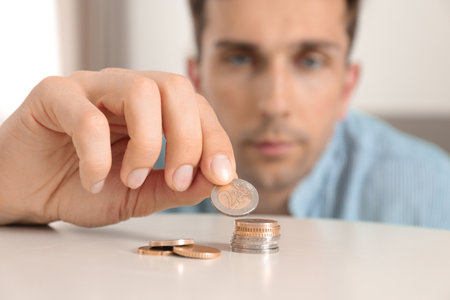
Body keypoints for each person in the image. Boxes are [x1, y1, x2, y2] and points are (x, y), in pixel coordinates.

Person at [0, 0, 449, 229]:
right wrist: (7, 191)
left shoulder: (433, 194)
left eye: (310, 60)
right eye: (240, 59)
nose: (274, 103)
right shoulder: (114, 169)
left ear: (347, 85)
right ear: (197, 75)